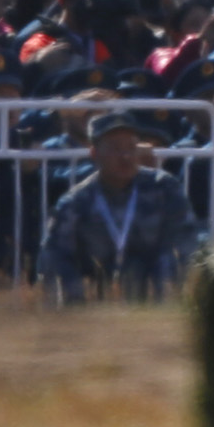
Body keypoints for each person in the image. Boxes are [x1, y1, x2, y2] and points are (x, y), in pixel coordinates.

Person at [38, 116, 202, 301]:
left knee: (169, 259)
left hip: (154, 288)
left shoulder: (163, 187)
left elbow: (186, 239)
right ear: (94, 153)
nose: (125, 156)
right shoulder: (77, 201)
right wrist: (74, 297)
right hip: (96, 292)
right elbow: (54, 254)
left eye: (131, 148)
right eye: (115, 149)